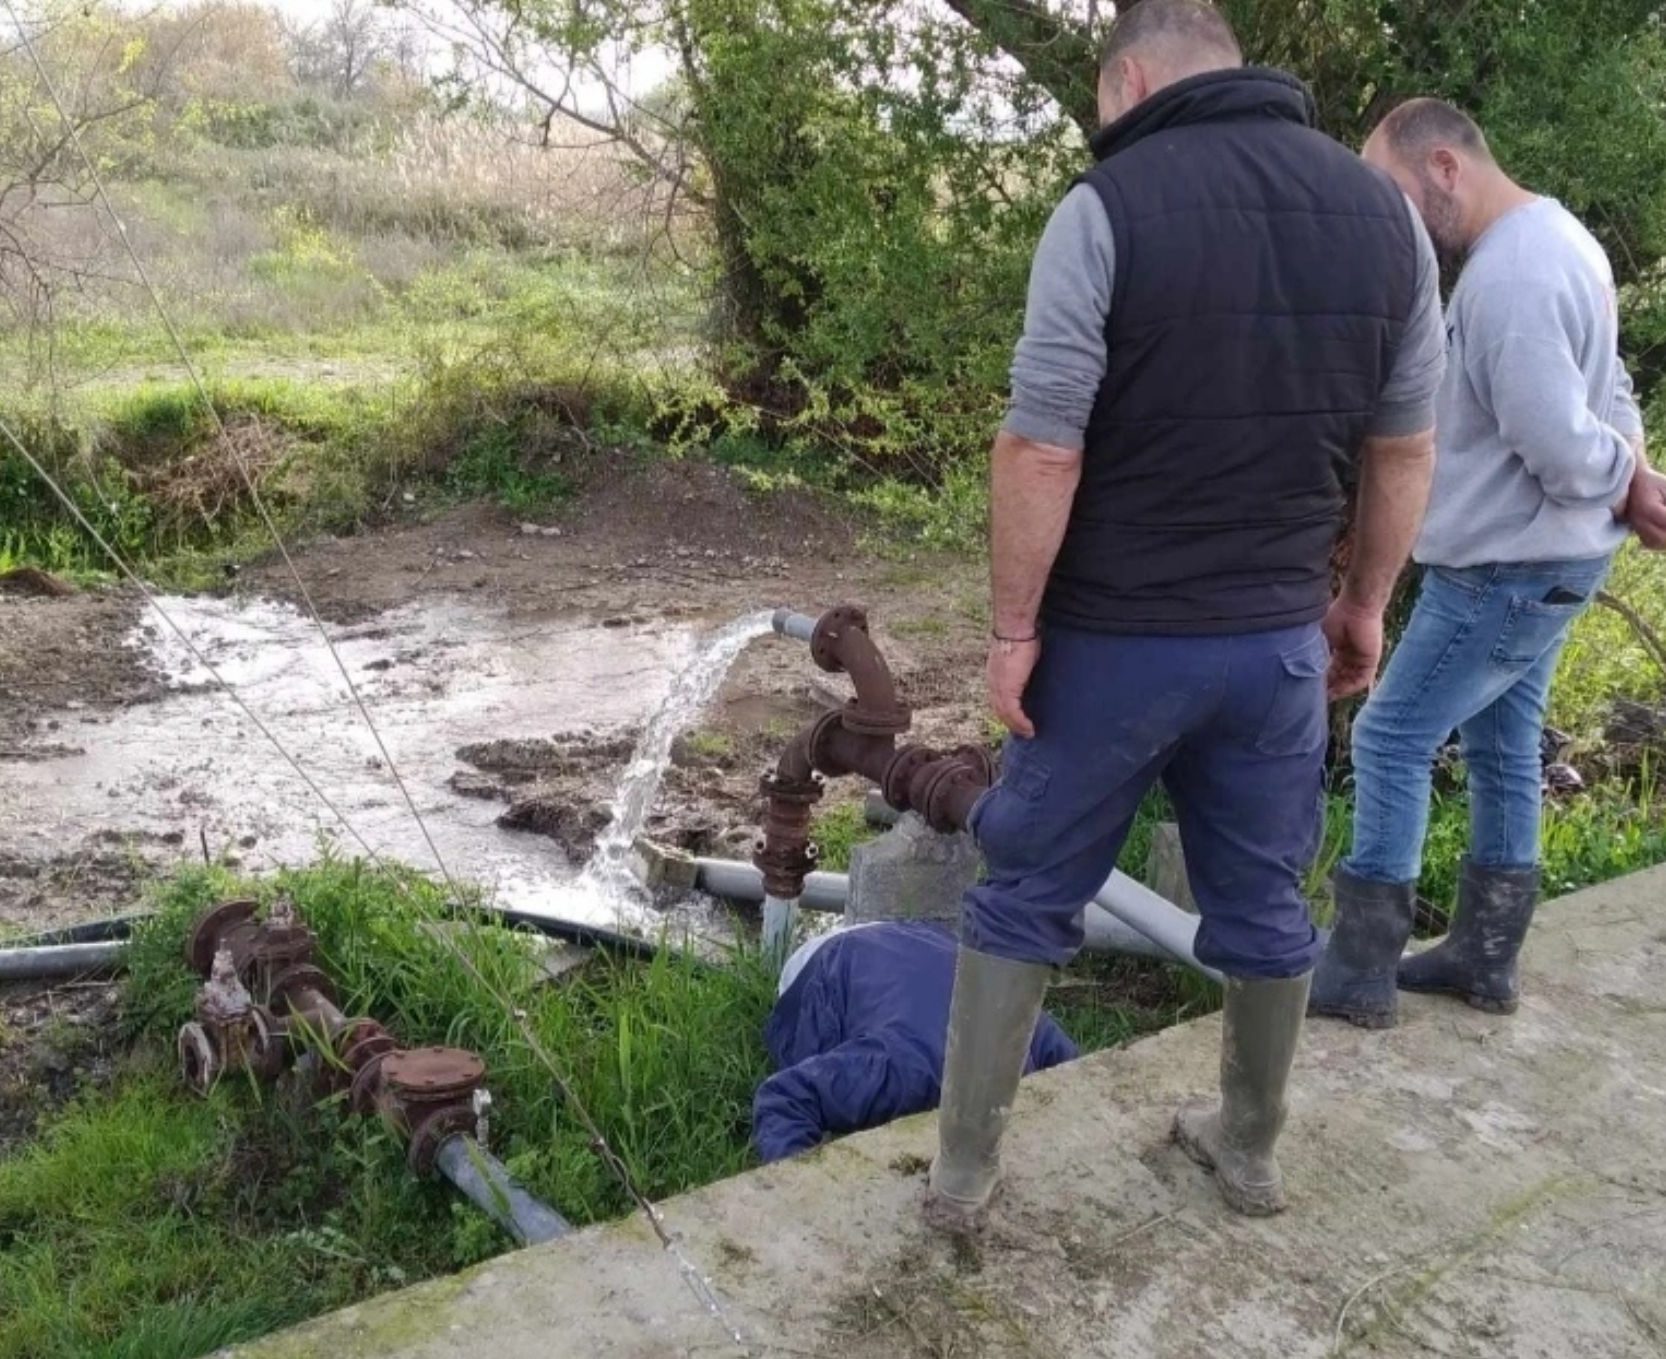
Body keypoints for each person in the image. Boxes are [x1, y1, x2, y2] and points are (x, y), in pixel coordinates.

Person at [925, 0, 1447, 1232]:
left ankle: (962, 1178)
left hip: (1112, 646)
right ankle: (1247, 1152)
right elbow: (1404, 445)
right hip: (1273, 647)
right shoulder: (1388, 220)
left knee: (1022, 894)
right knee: (1264, 903)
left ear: (1130, 81)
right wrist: (1361, 604)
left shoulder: (1104, 208)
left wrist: (1011, 632)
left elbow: (1042, 445)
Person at [1310, 100, 1666, 1029]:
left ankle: (1357, 969)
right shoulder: (1566, 239)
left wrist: (1620, 471)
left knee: (1390, 736)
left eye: (1394, 192)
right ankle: (1485, 956)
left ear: (1443, 167)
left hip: (1505, 569)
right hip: (1554, 562)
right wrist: (1633, 464)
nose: (1391, 217)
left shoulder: (1508, 276)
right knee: (1506, 743)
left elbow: (1554, 440)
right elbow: (1614, 386)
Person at [752, 921, 1076, 1164]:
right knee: (837, 1111)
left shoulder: (1028, 1034)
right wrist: (805, 1198)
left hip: (923, 939)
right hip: (824, 961)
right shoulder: (895, 1070)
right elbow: (784, 1099)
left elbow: (1082, 1090)